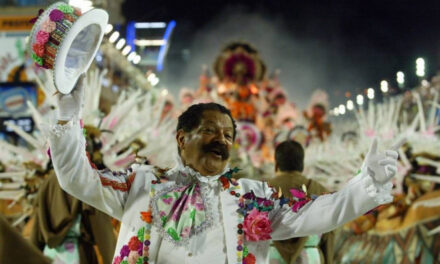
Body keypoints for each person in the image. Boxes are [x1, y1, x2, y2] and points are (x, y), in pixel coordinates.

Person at [46, 77, 402, 264]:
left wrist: (363, 184)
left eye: (229, 135)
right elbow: (78, 177)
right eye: (211, 131)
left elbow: (314, 214)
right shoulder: (141, 184)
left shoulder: (252, 197)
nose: (222, 140)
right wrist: (67, 116)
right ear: (182, 139)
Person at [268, 140, 334, 264]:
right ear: (302, 164)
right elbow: (329, 235)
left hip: (269, 256)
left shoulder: (261, 190)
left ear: (276, 164)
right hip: (309, 257)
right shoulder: (320, 191)